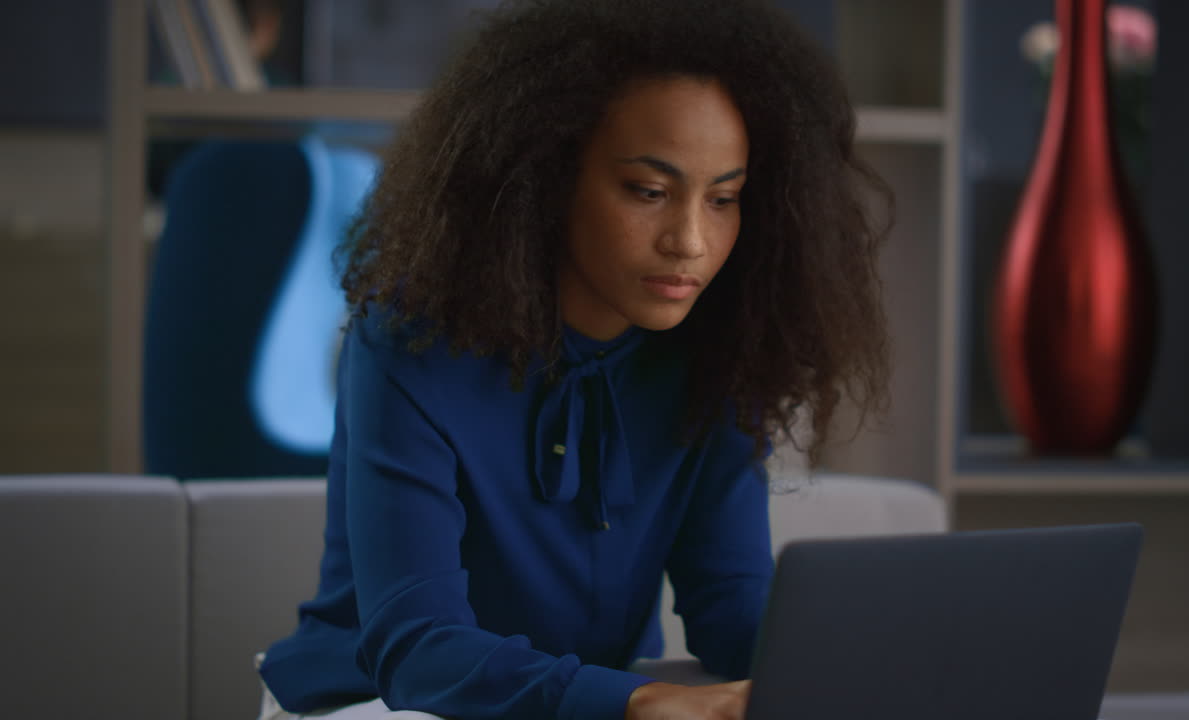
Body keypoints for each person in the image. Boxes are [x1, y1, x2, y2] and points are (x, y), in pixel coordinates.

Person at [256, 0, 890, 718]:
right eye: (649, 191)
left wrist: (851, 675)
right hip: (377, 701)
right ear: (547, 175)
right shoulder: (409, 343)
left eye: (724, 199)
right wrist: (640, 702)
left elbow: (730, 606)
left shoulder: (719, 349)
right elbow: (417, 646)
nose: (689, 240)